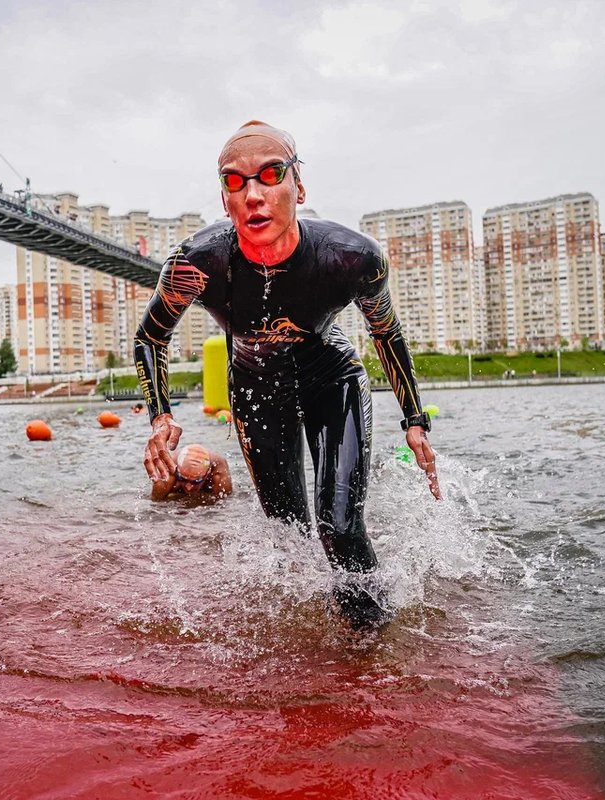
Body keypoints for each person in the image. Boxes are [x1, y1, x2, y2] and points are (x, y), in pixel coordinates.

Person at [135, 120, 440, 627]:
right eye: (235, 182)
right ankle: (311, 636)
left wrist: (414, 421)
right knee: (287, 535)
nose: (253, 194)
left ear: (298, 187)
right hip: (255, 387)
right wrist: (160, 417)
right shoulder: (198, 262)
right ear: (225, 198)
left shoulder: (351, 257)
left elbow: (386, 333)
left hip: (330, 379)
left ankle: (370, 650)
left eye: (270, 174)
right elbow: (151, 337)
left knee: (339, 527)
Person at [150, 444, 232, 503]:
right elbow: (156, 502)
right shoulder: (168, 470)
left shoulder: (219, 471)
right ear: (176, 470)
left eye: (195, 481)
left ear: (208, 474)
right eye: (182, 479)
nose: (188, 487)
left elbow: (222, 504)